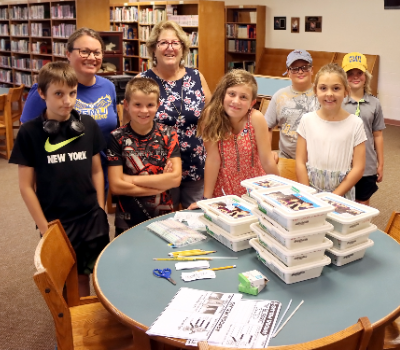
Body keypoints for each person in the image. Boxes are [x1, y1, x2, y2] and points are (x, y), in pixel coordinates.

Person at [9, 62, 109, 297]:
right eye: (58, 94)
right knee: (66, 280)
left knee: (91, 275)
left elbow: (96, 171)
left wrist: (101, 208)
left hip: (90, 215)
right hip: (56, 222)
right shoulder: (29, 133)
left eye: (72, 93)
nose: (67, 101)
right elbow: (25, 187)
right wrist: (46, 229)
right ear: (42, 93)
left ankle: (90, 327)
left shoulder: (88, 126)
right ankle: (71, 331)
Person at [20, 27, 118, 198]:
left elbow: (113, 129)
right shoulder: (48, 88)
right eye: (84, 51)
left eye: (97, 52)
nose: (92, 57)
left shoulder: (108, 87)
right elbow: (27, 138)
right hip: (58, 178)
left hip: (97, 173)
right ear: (68, 54)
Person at [139, 20, 211, 209]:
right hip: (159, 169)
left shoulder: (196, 77)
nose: (169, 48)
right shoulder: (143, 81)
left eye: (175, 43)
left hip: (196, 167)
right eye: (163, 43)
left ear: (183, 48)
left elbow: (212, 116)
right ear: (154, 49)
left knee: (197, 224)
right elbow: (130, 129)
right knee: (162, 225)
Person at [189, 69, 279, 207]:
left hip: (255, 189)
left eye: (243, 97)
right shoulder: (210, 117)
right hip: (224, 190)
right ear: (223, 94)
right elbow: (213, 159)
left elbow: (267, 160)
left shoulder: (256, 118)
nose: (236, 101)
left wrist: (281, 191)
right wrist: (206, 199)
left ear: (252, 103)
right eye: (232, 94)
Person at [107, 77, 181, 236]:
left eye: (150, 105)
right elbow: (115, 186)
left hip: (163, 216)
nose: (144, 111)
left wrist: (128, 179)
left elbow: (175, 179)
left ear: (158, 105)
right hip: (126, 218)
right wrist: (162, 184)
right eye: (137, 105)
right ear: (126, 105)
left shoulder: (169, 134)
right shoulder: (116, 137)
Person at [296, 63, 367, 201]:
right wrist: (308, 195)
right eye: (323, 88)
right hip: (310, 191)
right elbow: (300, 161)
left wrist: (333, 197)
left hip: (341, 193)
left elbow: (358, 168)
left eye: (336, 88)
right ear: (315, 90)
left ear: (346, 91)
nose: (329, 94)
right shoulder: (307, 120)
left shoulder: (355, 124)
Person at [341, 52, 385, 205]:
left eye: (359, 73)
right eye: (350, 73)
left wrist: (380, 164)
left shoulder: (374, 103)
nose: (355, 77)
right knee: (341, 202)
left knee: (362, 202)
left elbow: (377, 135)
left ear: (366, 75)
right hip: (342, 165)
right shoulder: (338, 102)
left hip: (367, 166)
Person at [265, 49, 319, 160]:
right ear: (288, 73)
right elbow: (266, 127)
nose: (300, 71)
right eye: (294, 69)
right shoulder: (279, 96)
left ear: (312, 70)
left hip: (316, 161)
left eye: (305, 67)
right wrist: (267, 152)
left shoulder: (322, 94)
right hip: (287, 159)